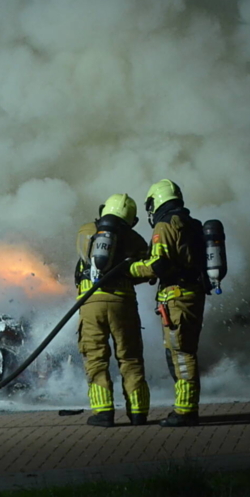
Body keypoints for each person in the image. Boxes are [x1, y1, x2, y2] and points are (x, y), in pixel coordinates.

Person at [129, 179, 206, 427]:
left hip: (177, 298)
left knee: (181, 353)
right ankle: (185, 407)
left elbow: (157, 264)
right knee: (184, 350)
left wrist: (129, 270)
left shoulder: (164, 225)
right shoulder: (191, 224)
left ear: (156, 201)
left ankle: (185, 411)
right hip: (192, 294)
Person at [74, 194, 151, 427]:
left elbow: (83, 260)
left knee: (96, 357)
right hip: (122, 304)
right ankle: (138, 413)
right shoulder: (136, 240)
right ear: (132, 220)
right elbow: (146, 270)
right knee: (130, 357)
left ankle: (103, 413)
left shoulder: (86, 230)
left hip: (90, 303)